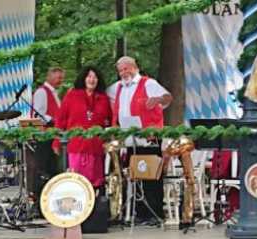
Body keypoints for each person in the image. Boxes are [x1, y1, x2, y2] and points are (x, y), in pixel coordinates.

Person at [107, 56, 172, 223]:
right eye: (120, 70)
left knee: (151, 174)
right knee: (136, 173)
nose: (123, 73)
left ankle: (155, 213)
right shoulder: (119, 88)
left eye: (126, 69)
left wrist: (157, 100)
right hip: (130, 137)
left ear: (134, 67)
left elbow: (168, 97)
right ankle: (139, 212)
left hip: (149, 136)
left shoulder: (148, 83)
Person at [53, 66, 112, 189]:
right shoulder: (72, 96)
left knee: (96, 183)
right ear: (84, 79)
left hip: (96, 147)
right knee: (77, 182)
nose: (92, 79)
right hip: (76, 147)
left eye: (95, 77)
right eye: (89, 76)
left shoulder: (104, 99)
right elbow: (61, 120)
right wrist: (56, 141)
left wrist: (109, 140)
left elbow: (109, 122)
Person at [30, 67, 65, 198]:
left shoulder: (54, 93)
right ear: (49, 77)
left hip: (53, 136)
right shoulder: (42, 92)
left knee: (52, 169)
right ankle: (40, 197)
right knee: (44, 169)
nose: (60, 81)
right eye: (58, 78)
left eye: (62, 78)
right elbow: (38, 115)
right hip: (45, 137)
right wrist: (53, 119)